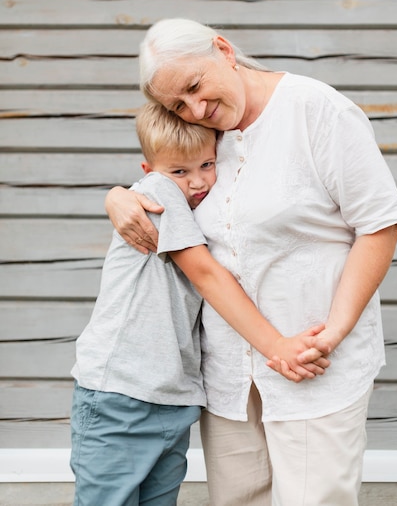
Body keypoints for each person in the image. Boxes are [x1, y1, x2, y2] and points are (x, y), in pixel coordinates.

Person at [105, 18, 397, 506]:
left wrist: (333, 331)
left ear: (224, 50)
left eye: (195, 87)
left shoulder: (316, 110)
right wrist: (119, 195)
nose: (196, 109)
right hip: (228, 373)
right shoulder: (202, 132)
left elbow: (380, 224)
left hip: (314, 360)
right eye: (177, 105)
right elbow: (167, 183)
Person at [70, 102, 330, 506]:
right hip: (121, 392)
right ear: (150, 171)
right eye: (180, 171)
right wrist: (277, 346)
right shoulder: (157, 194)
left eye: (207, 164)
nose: (197, 182)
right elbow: (206, 275)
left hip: (172, 398)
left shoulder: (206, 203)